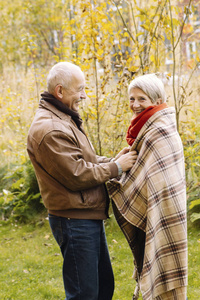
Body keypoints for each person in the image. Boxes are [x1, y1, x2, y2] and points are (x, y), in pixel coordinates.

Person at [27, 61, 137, 300]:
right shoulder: (50, 129)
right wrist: (116, 168)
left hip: (85, 216)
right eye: (80, 89)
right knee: (84, 294)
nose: (84, 96)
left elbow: (81, 158)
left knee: (102, 287)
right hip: (73, 220)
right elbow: (77, 174)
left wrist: (110, 160)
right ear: (60, 91)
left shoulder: (63, 118)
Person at [107, 74, 187, 300]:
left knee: (165, 271)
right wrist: (117, 166)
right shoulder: (145, 129)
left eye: (142, 99)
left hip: (165, 212)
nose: (135, 104)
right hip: (152, 210)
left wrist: (117, 177)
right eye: (131, 99)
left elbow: (159, 180)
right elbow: (144, 174)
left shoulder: (159, 131)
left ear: (157, 99)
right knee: (151, 266)